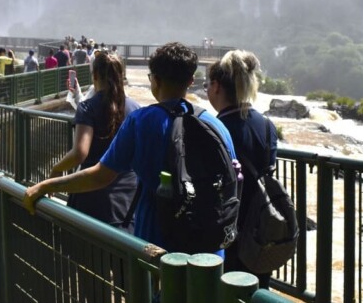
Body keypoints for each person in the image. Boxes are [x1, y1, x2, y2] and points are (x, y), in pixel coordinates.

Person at [23, 42, 236, 254]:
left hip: (157, 246)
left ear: (156, 80)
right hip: (209, 250)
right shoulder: (217, 126)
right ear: (190, 81)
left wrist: (46, 186)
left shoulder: (142, 121)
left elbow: (100, 176)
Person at [206, 49, 279, 288]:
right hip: (260, 234)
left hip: (224, 234)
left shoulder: (211, 128)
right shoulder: (267, 126)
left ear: (216, 86)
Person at [49, 52, 140, 230]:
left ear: (95, 75)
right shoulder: (136, 108)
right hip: (128, 201)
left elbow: (79, 153)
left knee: (85, 254)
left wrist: (56, 170)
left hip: (92, 198)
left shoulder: (88, 107)